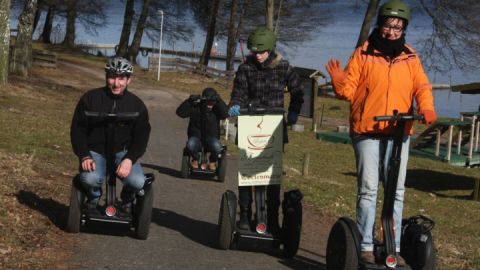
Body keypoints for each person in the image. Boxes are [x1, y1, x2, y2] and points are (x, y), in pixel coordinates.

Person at [325, 0, 436, 266]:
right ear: (380, 25)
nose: (392, 31)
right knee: (369, 188)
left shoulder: (410, 56)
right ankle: (364, 244)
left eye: (397, 27)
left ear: (404, 28)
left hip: (399, 131)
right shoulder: (363, 53)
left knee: (396, 191)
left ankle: (392, 246)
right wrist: (339, 84)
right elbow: (349, 90)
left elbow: (421, 86)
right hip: (367, 130)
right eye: (388, 25)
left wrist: (427, 107)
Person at [228, 26, 304, 233]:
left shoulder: (284, 67)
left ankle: (272, 219)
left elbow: (298, 91)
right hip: (250, 123)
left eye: (261, 52)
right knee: (247, 173)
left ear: (270, 49)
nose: (258, 56)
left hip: (275, 125)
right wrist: (235, 105)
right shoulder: (246, 69)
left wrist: (294, 112)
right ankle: (244, 216)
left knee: (272, 176)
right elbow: (239, 93)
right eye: (254, 52)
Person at [70, 56, 151, 214]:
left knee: (137, 181)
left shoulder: (137, 105)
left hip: (123, 153)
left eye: (121, 78)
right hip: (96, 152)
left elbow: (141, 138)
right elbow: (77, 130)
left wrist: (129, 159)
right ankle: (93, 197)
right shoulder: (90, 99)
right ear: (106, 77)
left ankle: (127, 200)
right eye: (112, 77)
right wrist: (84, 155)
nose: (116, 83)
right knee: (90, 178)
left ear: (128, 80)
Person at [176, 87, 228, 170]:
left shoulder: (216, 110)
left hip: (212, 139)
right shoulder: (196, 108)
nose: (210, 104)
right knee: (190, 144)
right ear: (204, 100)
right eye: (208, 101)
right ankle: (195, 159)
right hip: (196, 138)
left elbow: (226, 114)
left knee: (218, 147)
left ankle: (212, 161)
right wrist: (189, 101)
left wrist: (219, 101)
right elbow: (180, 113)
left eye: (212, 101)